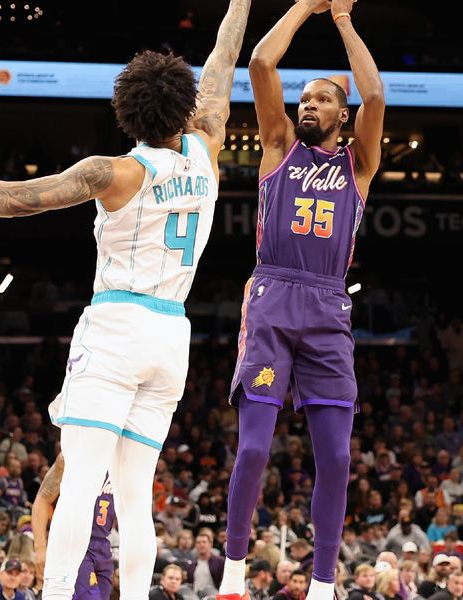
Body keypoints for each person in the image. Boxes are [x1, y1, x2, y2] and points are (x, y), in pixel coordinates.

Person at [0, 0, 252, 596]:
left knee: (82, 479)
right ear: (184, 105)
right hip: (171, 333)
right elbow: (222, 60)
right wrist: (239, 4)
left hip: (117, 323)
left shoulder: (115, 173)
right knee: (135, 492)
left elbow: (11, 199)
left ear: (128, 115)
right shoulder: (207, 146)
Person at [218, 2, 385, 600]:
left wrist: (343, 22)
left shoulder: (358, 162)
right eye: (304, 99)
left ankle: (322, 584)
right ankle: (233, 572)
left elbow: (376, 95)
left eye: (320, 100)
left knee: (337, 458)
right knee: (257, 445)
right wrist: (306, 6)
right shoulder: (277, 145)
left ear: (343, 114)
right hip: (272, 296)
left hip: (328, 309)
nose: (307, 105)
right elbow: (262, 60)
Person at [32, 454, 115, 600]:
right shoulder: (73, 451)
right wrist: (40, 548)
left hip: (103, 545)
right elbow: (43, 498)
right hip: (75, 540)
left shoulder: (124, 456)